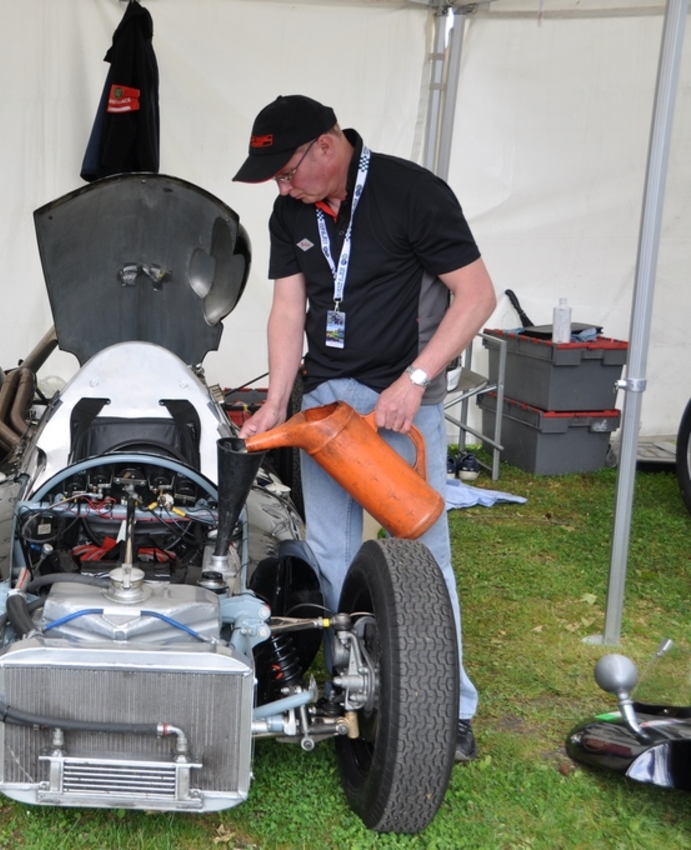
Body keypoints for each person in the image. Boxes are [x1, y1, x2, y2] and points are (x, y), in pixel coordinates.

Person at [233, 95, 496, 762]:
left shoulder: (412, 192)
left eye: (287, 171)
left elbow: (476, 296)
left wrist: (416, 380)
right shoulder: (291, 211)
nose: (282, 187)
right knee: (329, 550)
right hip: (327, 409)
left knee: (425, 553)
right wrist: (277, 400)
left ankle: (450, 710)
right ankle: (345, 689)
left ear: (326, 146)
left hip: (400, 402)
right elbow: (288, 309)